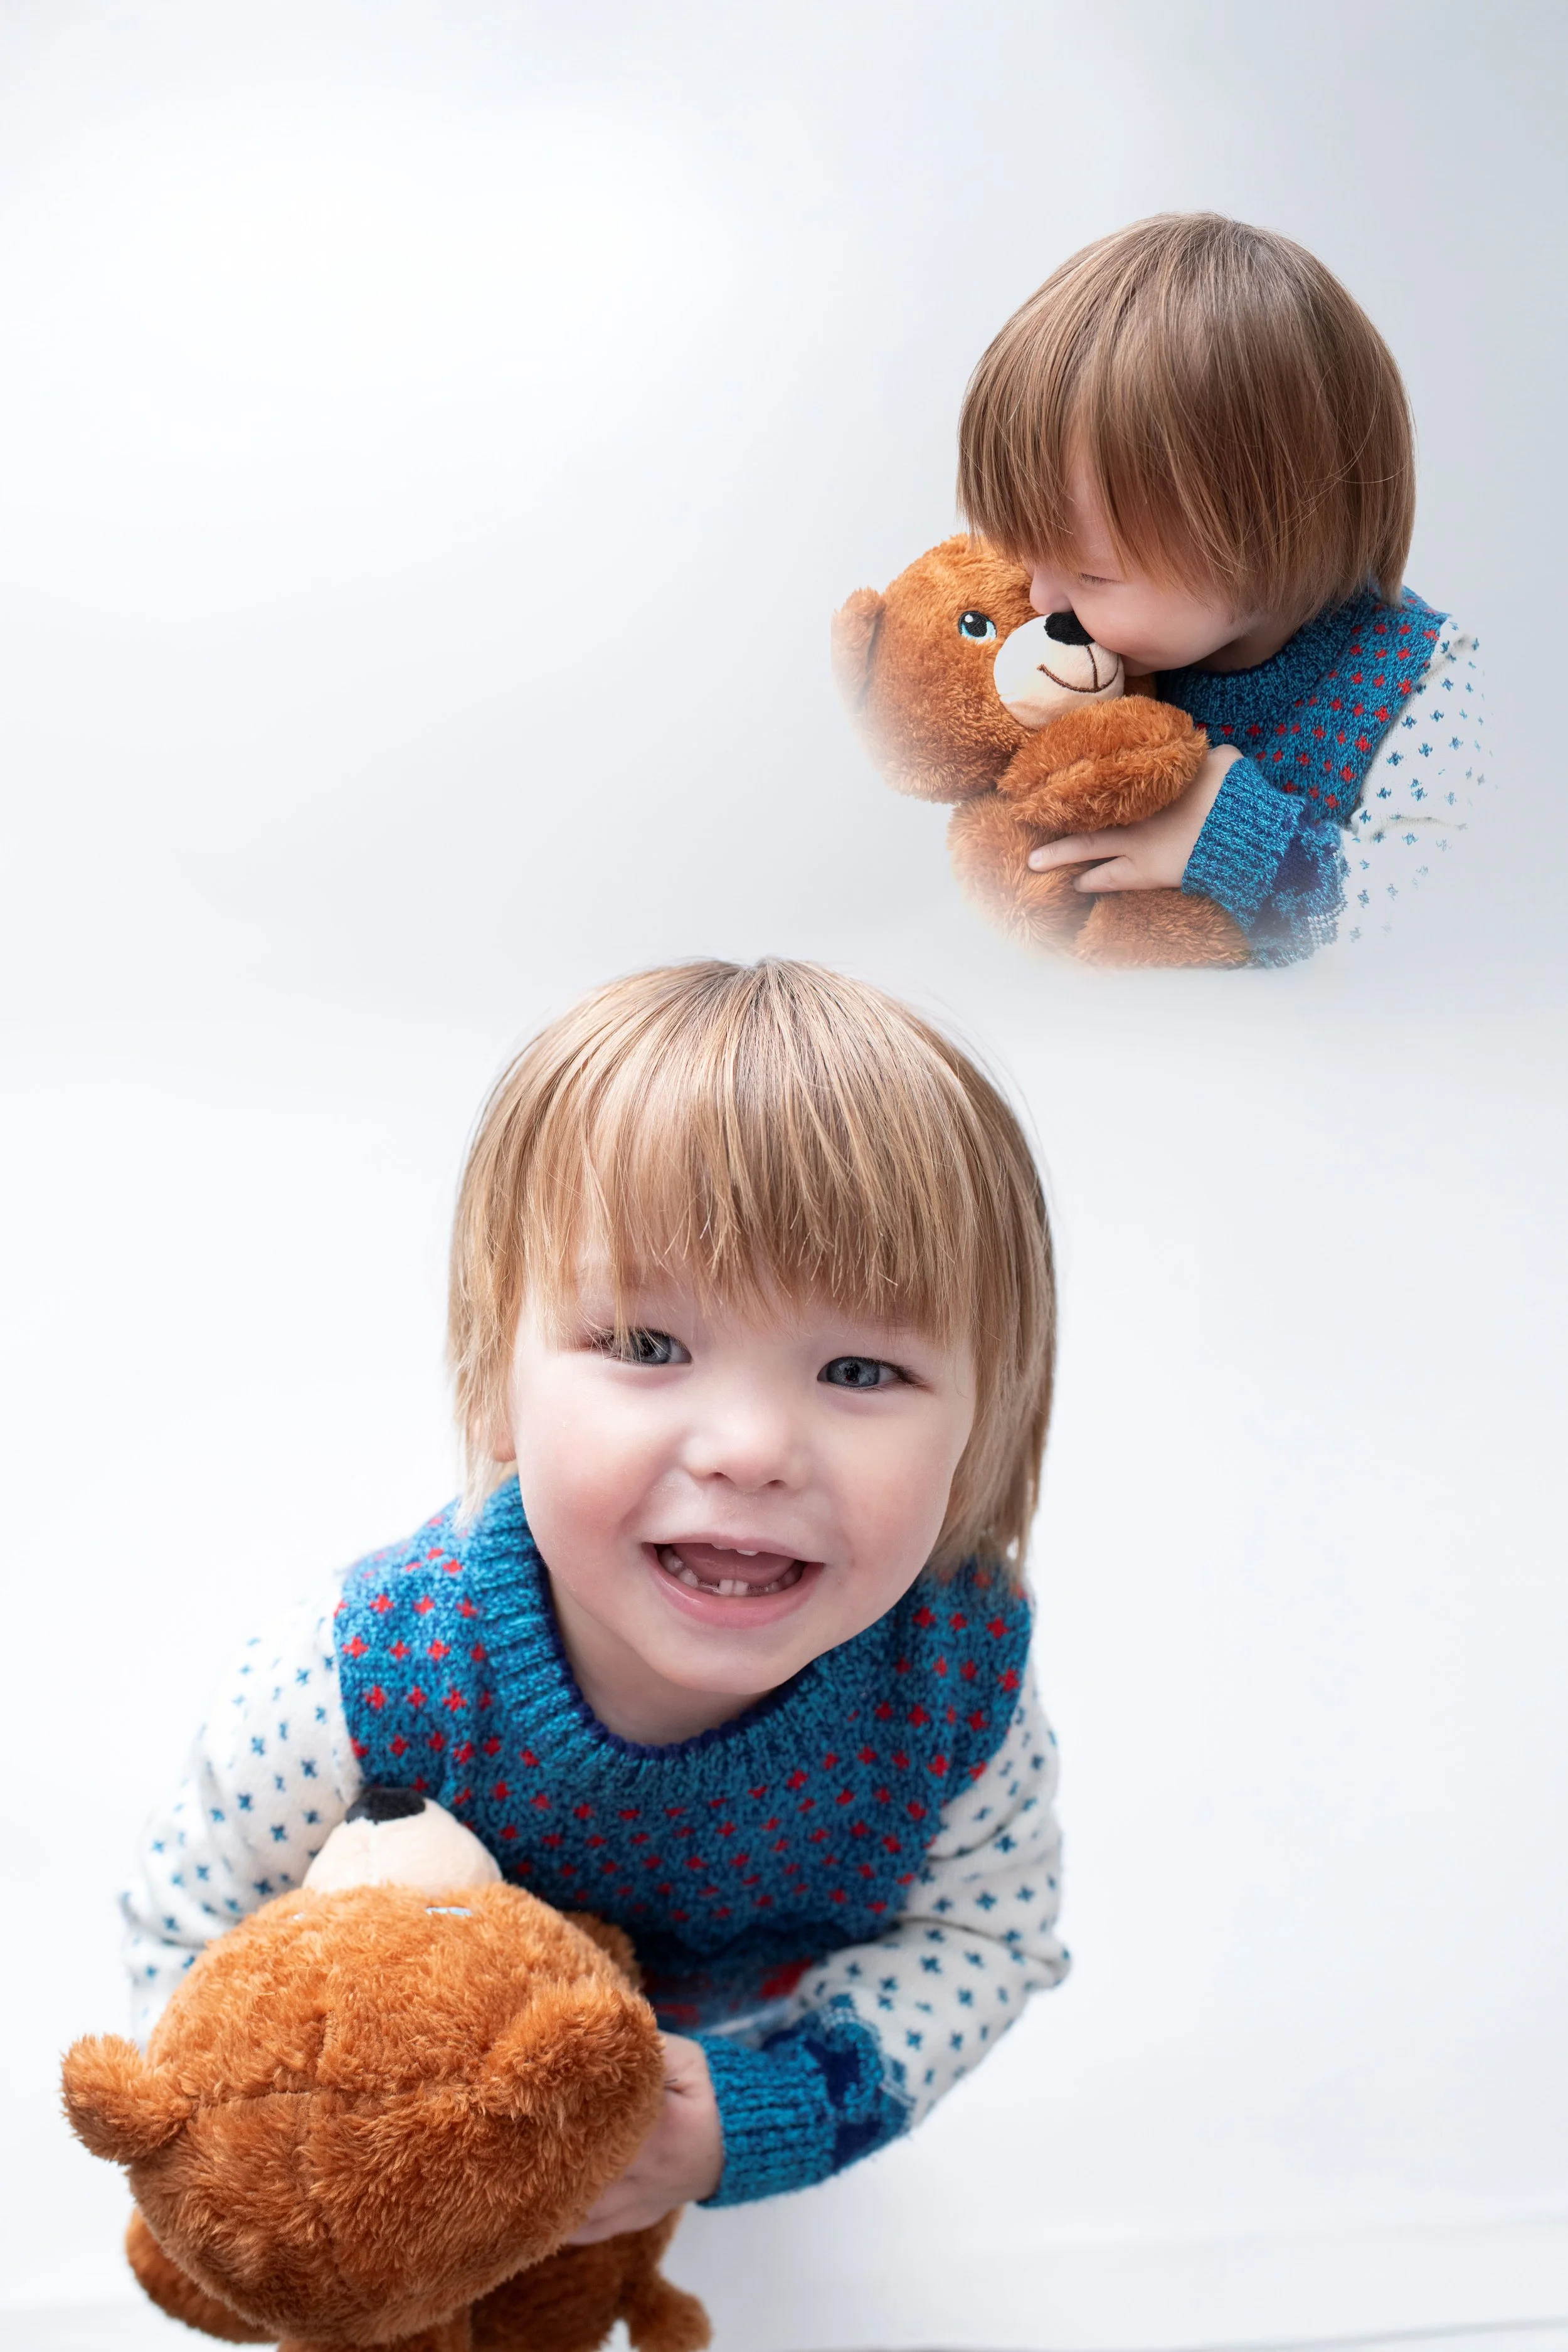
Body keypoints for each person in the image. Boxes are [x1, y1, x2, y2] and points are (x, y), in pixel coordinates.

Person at [122, 959, 1067, 2228]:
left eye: (857, 1368)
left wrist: (749, 2114)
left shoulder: (953, 1684)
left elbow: (985, 1941)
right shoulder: (369, 1674)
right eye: (645, 1346)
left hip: (722, 2058)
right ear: (495, 1369)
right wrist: (272, 2164)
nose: (748, 1447)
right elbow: (189, 1924)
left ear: (982, 1422)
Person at [958, 213, 1485, 963]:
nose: (1040, 601)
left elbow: (1449, 931)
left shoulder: (1417, 678)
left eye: (1089, 572)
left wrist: (1234, 836)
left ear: (1264, 543)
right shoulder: (1076, 652)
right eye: (1023, 547)